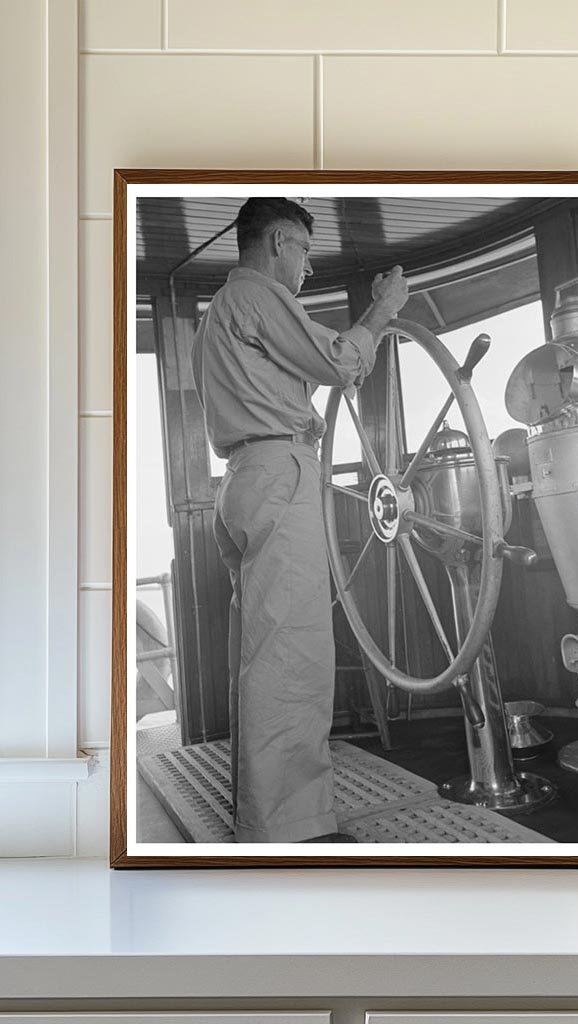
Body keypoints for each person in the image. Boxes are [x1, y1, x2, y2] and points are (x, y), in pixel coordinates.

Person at [191, 197, 409, 843]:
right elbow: (341, 362)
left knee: (261, 653)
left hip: (242, 482)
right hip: (278, 476)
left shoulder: (220, 315)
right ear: (281, 242)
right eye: (307, 253)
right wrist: (383, 310)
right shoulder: (256, 296)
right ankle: (291, 832)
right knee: (292, 653)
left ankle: (262, 814)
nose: (309, 268)